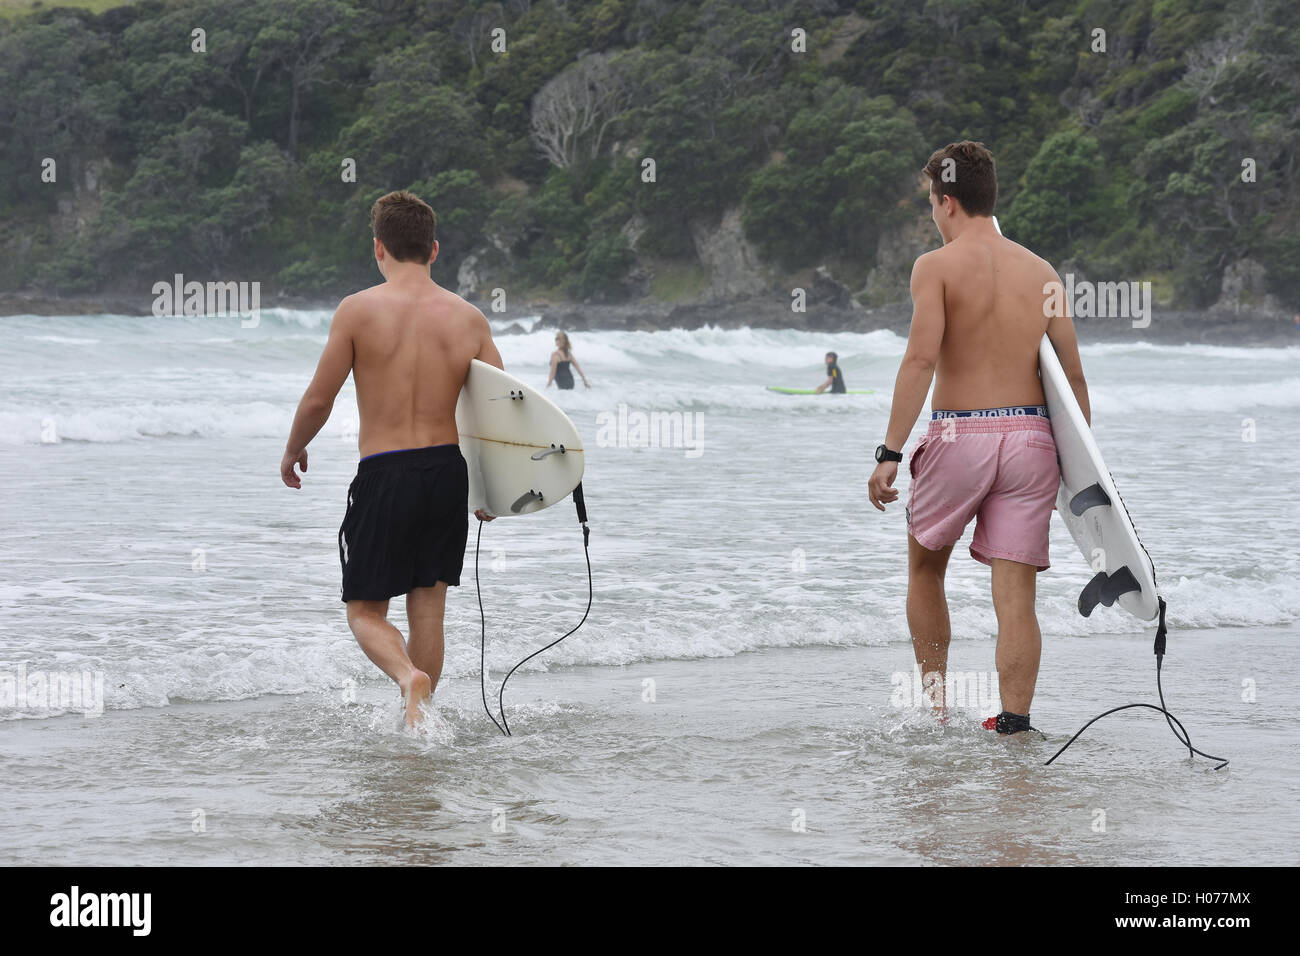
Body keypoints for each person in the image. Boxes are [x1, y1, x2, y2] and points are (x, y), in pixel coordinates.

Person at [866, 141, 1090, 735]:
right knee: (1016, 594)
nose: (932, 216)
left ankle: (937, 711)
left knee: (924, 570)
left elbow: (919, 361)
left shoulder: (934, 268)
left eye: (931, 204)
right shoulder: (1042, 272)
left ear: (947, 203)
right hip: (1031, 440)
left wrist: (890, 453)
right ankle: (1014, 721)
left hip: (960, 436)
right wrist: (1079, 472)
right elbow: (1071, 377)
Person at [280, 190, 504, 728]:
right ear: (434, 250)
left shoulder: (358, 310)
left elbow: (319, 398)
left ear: (378, 248)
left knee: (364, 610)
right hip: (447, 473)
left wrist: (293, 449)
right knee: (428, 607)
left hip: (386, 472)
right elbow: (501, 411)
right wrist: (492, 488)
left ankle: (409, 680)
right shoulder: (469, 318)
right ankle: (419, 719)